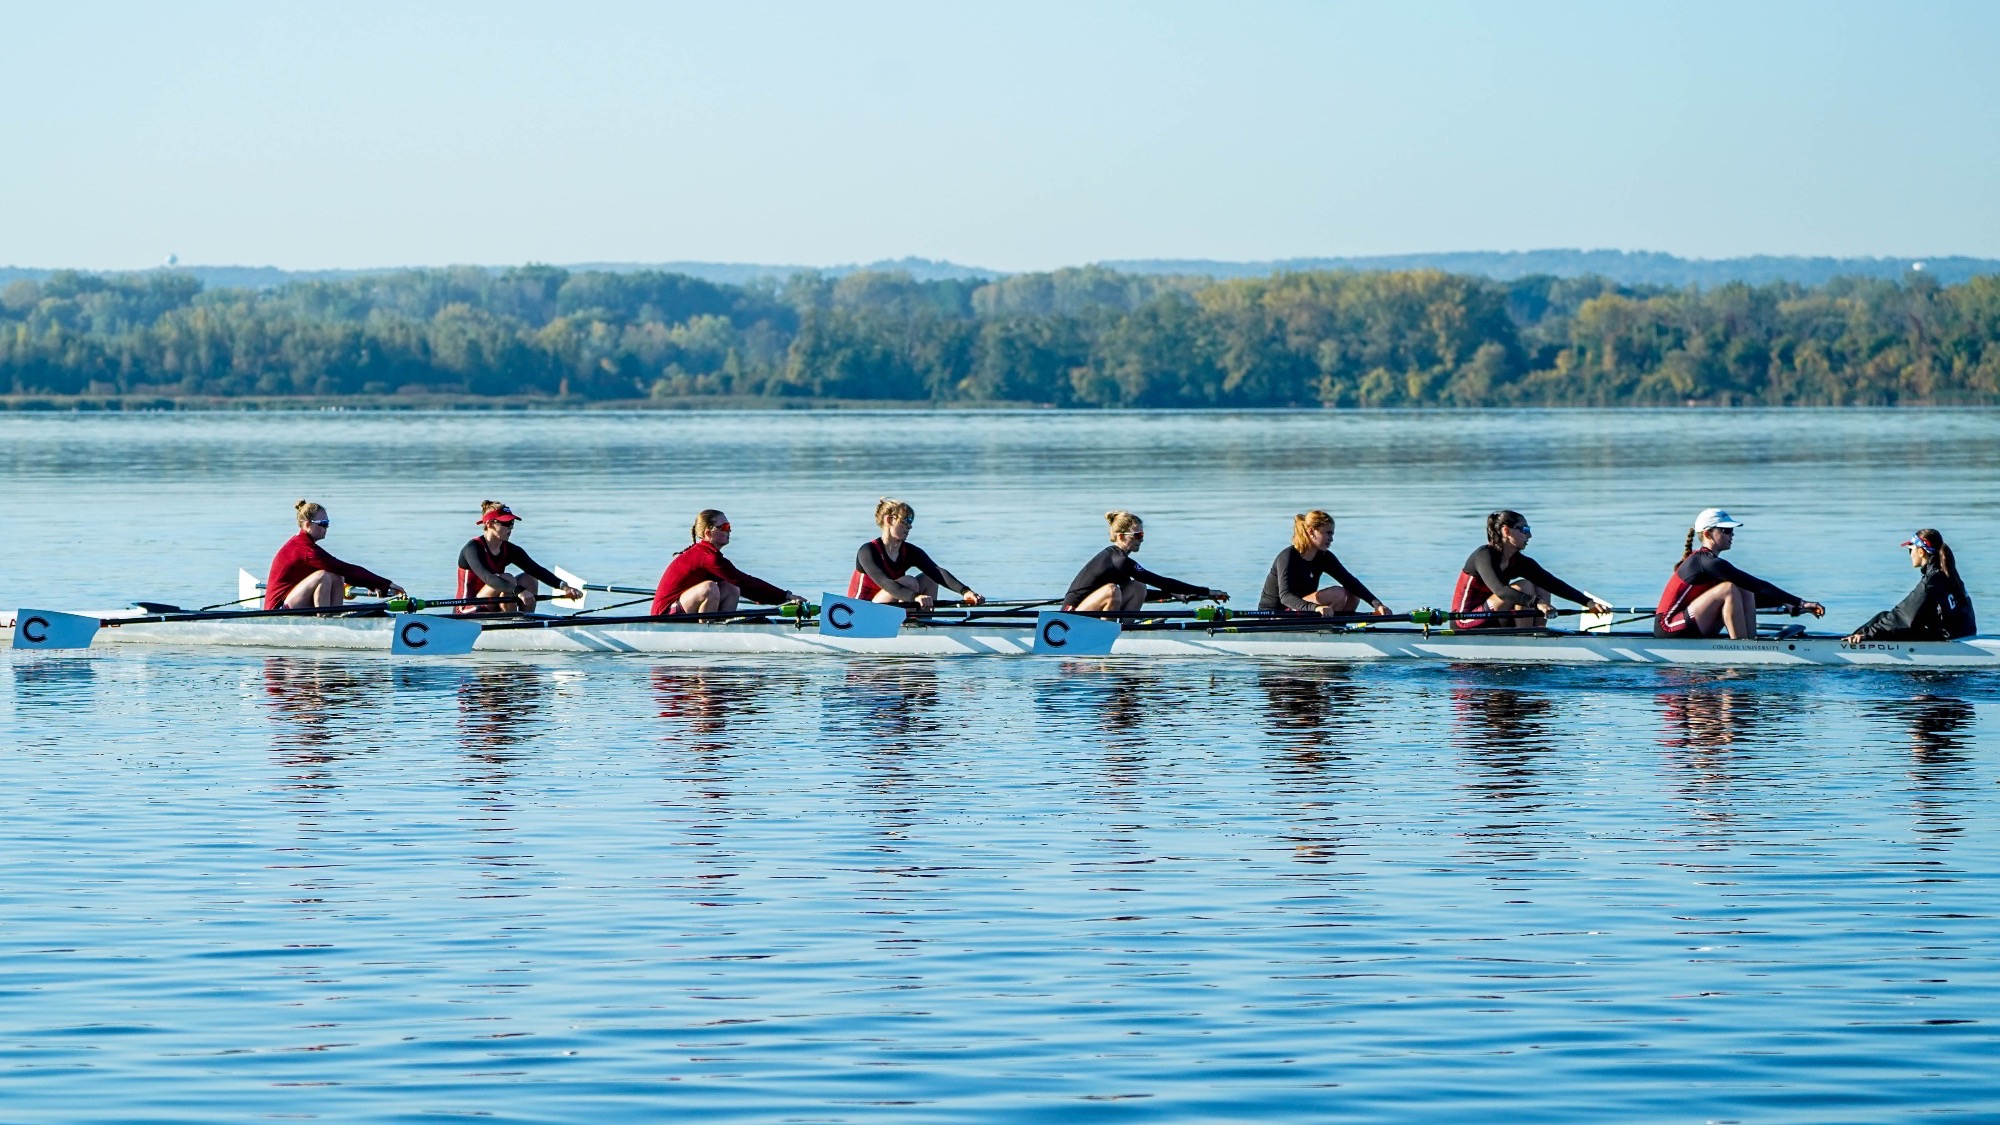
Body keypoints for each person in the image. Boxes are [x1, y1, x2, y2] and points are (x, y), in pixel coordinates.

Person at [1654, 508, 1825, 638]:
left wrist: (1786, 603)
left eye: (1732, 530)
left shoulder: (1711, 563)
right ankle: (1742, 649)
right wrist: (1801, 602)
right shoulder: (1705, 562)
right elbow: (1756, 584)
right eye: (1726, 530)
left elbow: (1747, 593)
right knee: (1730, 588)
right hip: (1668, 626)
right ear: (1707, 534)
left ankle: (1750, 644)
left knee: (1742, 588)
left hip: (1691, 621)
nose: (1732, 534)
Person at [1451, 509, 1611, 628]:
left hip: (1494, 617)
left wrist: (1588, 602)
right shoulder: (1484, 555)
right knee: (1525, 586)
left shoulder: (1520, 562)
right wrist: (1537, 603)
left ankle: (1537, 633)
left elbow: (1553, 583)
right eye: (1525, 530)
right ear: (1506, 531)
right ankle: (1525, 638)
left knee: (1541, 586)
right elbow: (1501, 591)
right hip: (1465, 619)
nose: (1529, 536)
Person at [1063, 510, 1228, 612]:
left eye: (1143, 535)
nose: (1141, 540)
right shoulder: (1118, 560)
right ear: (1121, 536)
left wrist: (1177, 594)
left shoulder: (1119, 561)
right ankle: (1109, 636)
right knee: (1112, 590)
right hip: (1072, 615)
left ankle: (1127, 632)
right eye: (1137, 536)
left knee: (1138, 586)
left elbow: (1144, 593)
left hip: (1091, 610)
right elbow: (1160, 581)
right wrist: (1206, 591)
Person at [650, 509, 803, 616]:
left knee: (732, 587)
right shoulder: (708, 557)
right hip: (663, 615)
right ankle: (707, 631)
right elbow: (746, 582)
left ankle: (721, 629)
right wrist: (786, 596)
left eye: (729, 527)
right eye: (724, 527)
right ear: (708, 533)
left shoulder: (708, 554)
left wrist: (776, 598)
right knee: (709, 588)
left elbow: (742, 584)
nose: (729, 531)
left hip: (683, 605)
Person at [847, 498, 985, 611]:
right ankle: (908, 626)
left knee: (930, 578)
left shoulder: (910, 551)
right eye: (906, 521)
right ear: (889, 520)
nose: (910, 526)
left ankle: (924, 624)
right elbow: (886, 584)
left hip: (885, 606)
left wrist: (965, 591)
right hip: (860, 612)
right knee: (909, 582)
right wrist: (915, 597)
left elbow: (937, 572)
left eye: (911, 521)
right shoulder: (868, 551)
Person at [264, 500, 403, 610]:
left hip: (294, 600)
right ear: (307, 525)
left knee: (336, 575)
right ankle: (325, 621)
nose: (326, 528)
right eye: (323, 524)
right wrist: (384, 584)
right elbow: (344, 568)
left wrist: (373, 585)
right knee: (323, 576)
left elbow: (341, 571)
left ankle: (335, 616)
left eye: (328, 524)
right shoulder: (306, 550)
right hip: (277, 609)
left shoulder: (304, 545)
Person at [1846, 529, 1976, 642]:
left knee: (1883, 618)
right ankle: (1855, 637)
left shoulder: (1931, 582)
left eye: (1910, 550)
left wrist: (1869, 634)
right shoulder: (1949, 575)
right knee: (1884, 618)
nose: (1910, 555)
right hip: (1964, 634)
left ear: (1921, 552)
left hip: (1946, 638)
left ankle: (1853, 642)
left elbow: (1903, 615)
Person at [455, 501, 582, 614]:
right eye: (506, 523)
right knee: (507, 578)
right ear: (489, 524)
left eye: (512, 523)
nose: (510, 528)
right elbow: (489, 578)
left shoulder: (510, 549)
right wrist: (519, 591)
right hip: (468, 609)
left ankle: (525, 619)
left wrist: (565, 586)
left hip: (491, 605)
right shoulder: (472, 549)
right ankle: (513, 623)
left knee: (530, 578)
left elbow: (536, 570)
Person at [1258, 509, 1391, 617]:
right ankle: (1328, 628)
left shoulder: (1324, 557)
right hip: (1274, 614)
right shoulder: (1288, 556)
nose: (1331, 539)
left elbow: (1351, 582)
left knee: (1353, 594)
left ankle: (1335, 628)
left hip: (1301, 610)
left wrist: (1377, 604)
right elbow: (1286, 597)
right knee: (1338, 593)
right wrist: (1316, 608)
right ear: (1311, 532)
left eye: (1332, 534)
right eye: (1328, 533)